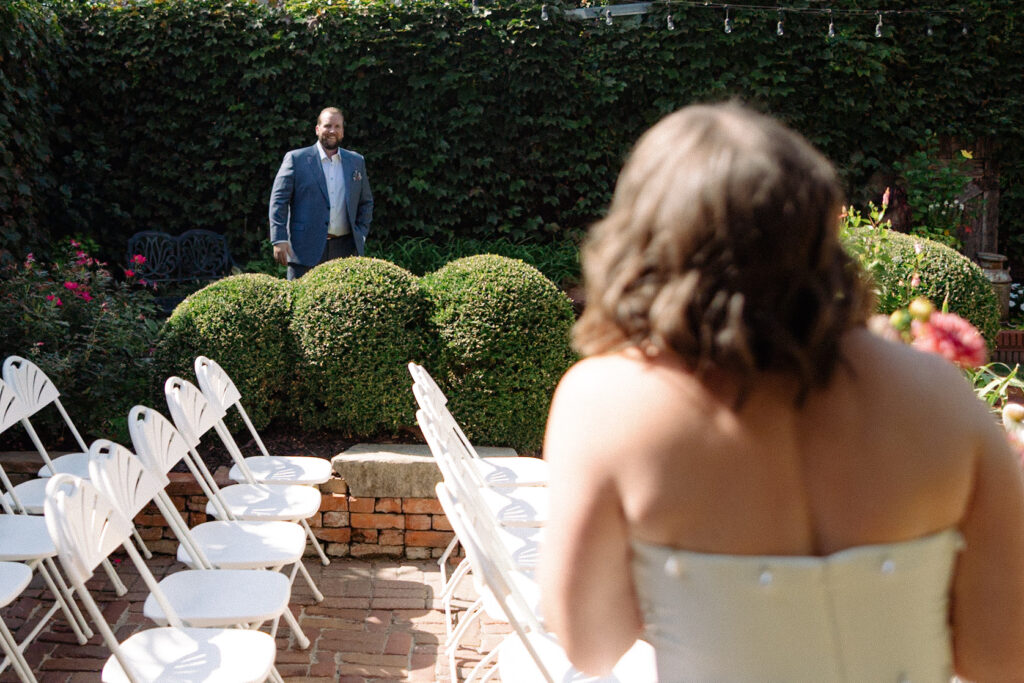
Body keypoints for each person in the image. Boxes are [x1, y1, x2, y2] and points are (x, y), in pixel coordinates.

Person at [539, 103, 1024, 681]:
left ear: (645, 240)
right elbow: (1001, 657)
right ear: (821, 229)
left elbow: (589, 648)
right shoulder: (942, 395)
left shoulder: (604, 404)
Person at [269, 107, 373, 280]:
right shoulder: (296, 159)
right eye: (327, 126)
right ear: (317, 129)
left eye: (337, 126)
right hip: (304, 249)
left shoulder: (356, 161)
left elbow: (366, 202)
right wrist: (279, 239)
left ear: (343, 131)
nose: (332, 131)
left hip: (345, 251)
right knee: (301, 303)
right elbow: (278, 201)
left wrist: (360, 234)